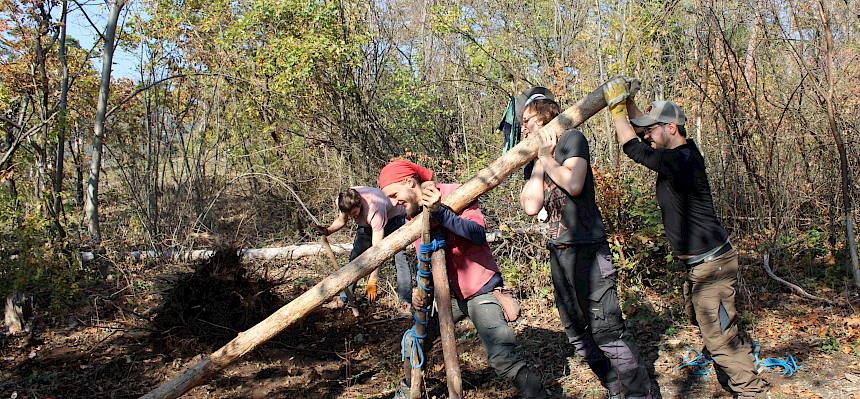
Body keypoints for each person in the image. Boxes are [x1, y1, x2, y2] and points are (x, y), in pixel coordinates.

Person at [603, 78, 769, 398]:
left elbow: (631, 147)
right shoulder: (679, 152)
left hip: (713, 267)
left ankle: (752, 393)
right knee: (720, 330)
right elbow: (643, 131)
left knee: (720, 339)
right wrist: (631, 101)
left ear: (671, 128)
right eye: (646, 129)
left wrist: (616, 109)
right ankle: (746, 374)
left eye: (652, 130)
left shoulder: (680, 161)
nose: (647, 135)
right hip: (706, 264)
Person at [518, 88, 653, 399]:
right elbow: (530, 206)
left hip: (588, 249)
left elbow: (574, 184)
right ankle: (615, 388)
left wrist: (548, 158)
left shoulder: (572, 139)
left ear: (545, 114)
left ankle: (639, 394)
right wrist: (539, 161)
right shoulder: (533, 160)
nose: (524, 127)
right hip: (558, 252)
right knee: (576, 333)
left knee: (606, 330)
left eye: (527, 120)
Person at [378, 160, 547, 399]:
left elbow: (478, 235)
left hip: (480, 288)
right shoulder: (411, 216)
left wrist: (442, 212)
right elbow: (424, 263)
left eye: (395, 194)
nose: (394, 202)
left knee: (503, 357)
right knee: (414, 341)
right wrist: (420, 291)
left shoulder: (456, 193)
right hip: (450, 296)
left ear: (409, 182)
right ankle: (408, 389)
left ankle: (537, 393)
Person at [316, 187, 412, 309]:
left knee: (400, 259)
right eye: (350, 214)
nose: (353, 217)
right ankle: (344, 298)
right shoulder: (343, 201)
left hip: (394, 220)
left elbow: (377, 250)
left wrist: (373, 279)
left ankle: (405, 303)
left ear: (360, 203)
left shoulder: (374, 209)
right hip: (367, 224)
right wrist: (328, 230)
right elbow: (342, 220)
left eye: (354, 213)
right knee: (355, 259)